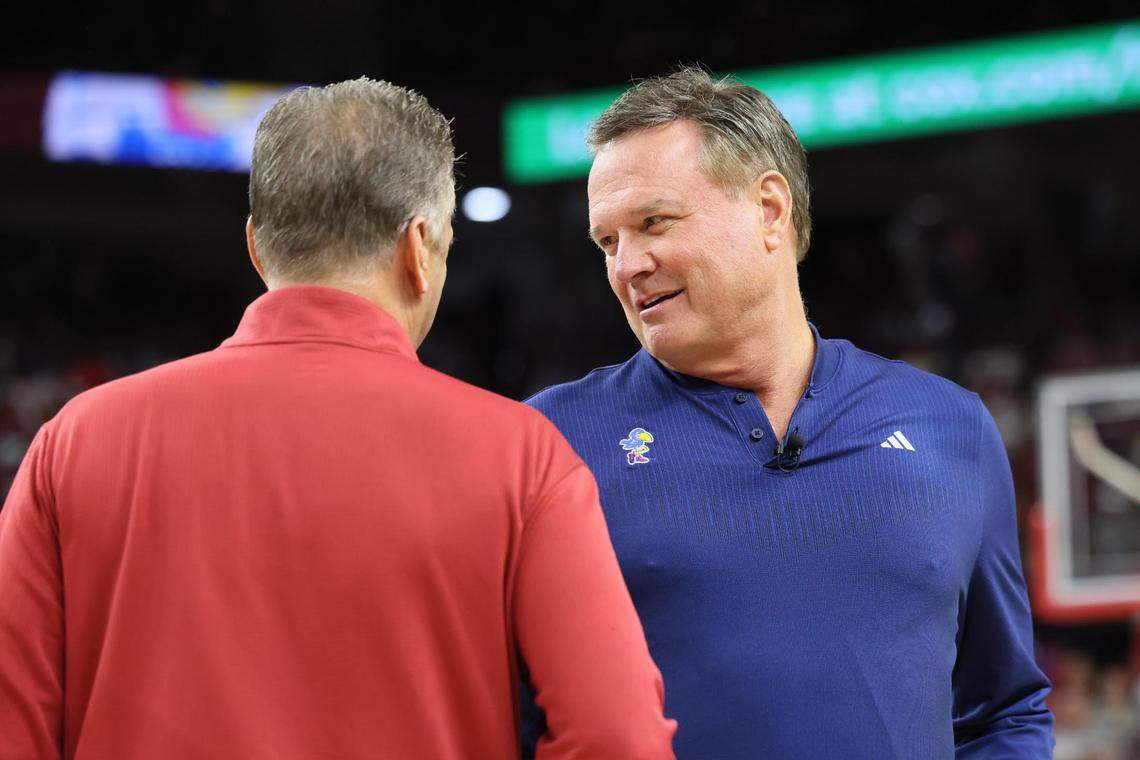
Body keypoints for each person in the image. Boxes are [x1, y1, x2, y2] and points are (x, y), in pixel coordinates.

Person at [0, 78, 676, 760]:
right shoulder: (522, 454)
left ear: (258, 248)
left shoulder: (77, 439)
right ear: (419, 247)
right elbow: (616, 738)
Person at [522, 67, 1054, 758]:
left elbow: (1003, 709)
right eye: (608, 242)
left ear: (769, 209)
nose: (627, 265)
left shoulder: (949, 425)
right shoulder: (547, 444)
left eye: (653, 222)